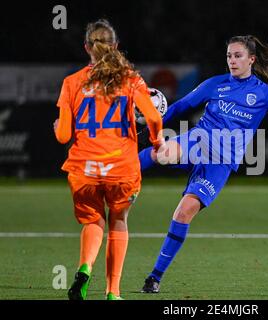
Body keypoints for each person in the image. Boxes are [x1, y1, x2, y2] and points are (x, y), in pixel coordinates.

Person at [138, 35, 268, 293]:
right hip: (198, 142)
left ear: (252, 59)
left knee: (183, 213)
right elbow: (181, 107)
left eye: (237, 56)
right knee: (162, 152)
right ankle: (119, 174)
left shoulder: (266, 95)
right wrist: (154, 128)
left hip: (221, 162)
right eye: (229, 56)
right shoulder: (216, 84)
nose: (232, 61)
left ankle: (154, 277)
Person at [53, 19, 164, 300]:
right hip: (121, 170)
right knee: (118, 221)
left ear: (87, 47)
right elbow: (152, 116)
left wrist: (57, 126)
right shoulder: (130, 78)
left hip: (83, 170)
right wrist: (156, 141)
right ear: (115, 46)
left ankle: (84, 269)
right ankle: (113, 292)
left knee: (93, 221)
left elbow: (63, 136)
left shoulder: (72, 83)